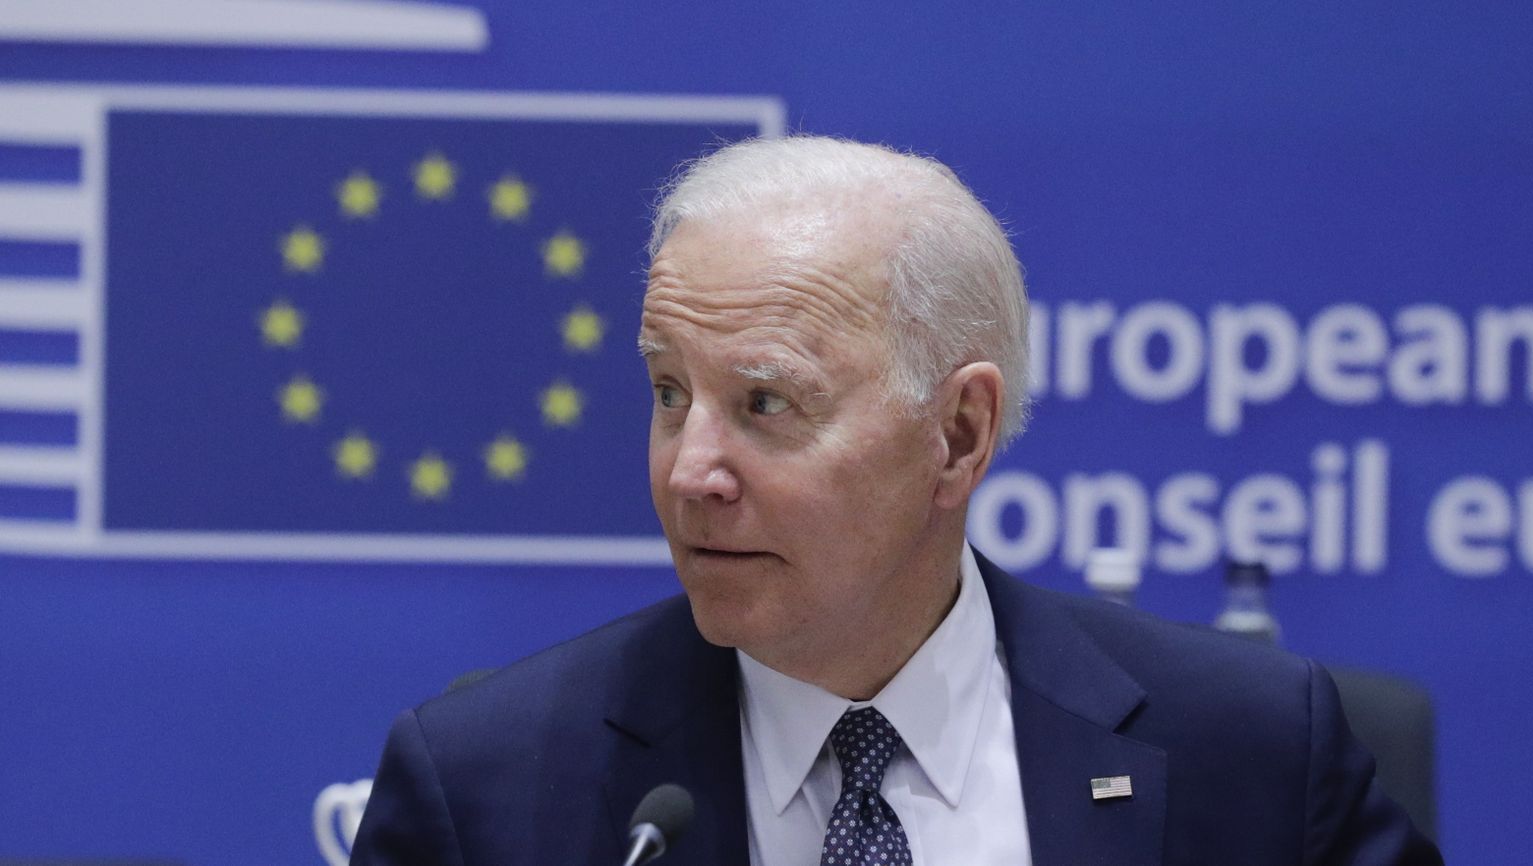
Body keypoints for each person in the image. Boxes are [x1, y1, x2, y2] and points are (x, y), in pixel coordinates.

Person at [349, 136, 1442, 865]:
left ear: (957, 435)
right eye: (670, 393)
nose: (690, 469)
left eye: (766, 401)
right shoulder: (486, 790)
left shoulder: (1247, 751)